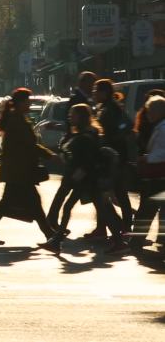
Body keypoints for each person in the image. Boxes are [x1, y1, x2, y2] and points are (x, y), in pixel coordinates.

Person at [39, 104, 129, 254]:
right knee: (99, 209)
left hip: (88, 180)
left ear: (81, 117)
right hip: (86, 180)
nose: (69, 116)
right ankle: (57, 240)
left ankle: (120, 241)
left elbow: (88, 160)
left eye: (73, 114)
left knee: (102, 210)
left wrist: (77, 174)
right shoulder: (84, 133)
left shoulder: (86, 136)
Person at [0, 88, 55, 245]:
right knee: (32, 203)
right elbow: (29, 145)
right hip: (19, 169)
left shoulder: (18, 118)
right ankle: (50, 235)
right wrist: (50, 155)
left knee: (9, 203)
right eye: (27, 101)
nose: (29, 103)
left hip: (17, 169)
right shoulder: (17, 120)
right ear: (20, 103)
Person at [47, 71, 97, 228]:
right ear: (84, 83)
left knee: (69, 191)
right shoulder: (78, 100)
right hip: (77, 153)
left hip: (79, 155)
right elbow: (71, 124)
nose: (93, 88)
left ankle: (54, 222)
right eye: (91, 84)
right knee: (70, 190)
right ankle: (54, 222)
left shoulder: (84, 98)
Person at [93, 79, 134, 234]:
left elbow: (123, 128)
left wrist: (111, 141)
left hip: (114, 157)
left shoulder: (111, 109)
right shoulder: (105, 108)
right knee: (111, 192)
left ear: (104, 92)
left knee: (118, 192)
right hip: (111, 156)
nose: (94, 94)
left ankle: (125, 226)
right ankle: (104, 227)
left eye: (96, 91)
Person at [130, 95, 165, 253]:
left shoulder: (162, 128)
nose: (148, 114)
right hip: (157, 175)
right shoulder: (159, 126)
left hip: (158, 175)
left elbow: (162, 152)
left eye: (151, 110)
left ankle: (136, 241)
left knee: (147, 209)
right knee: (153, 208)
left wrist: (147, 158)